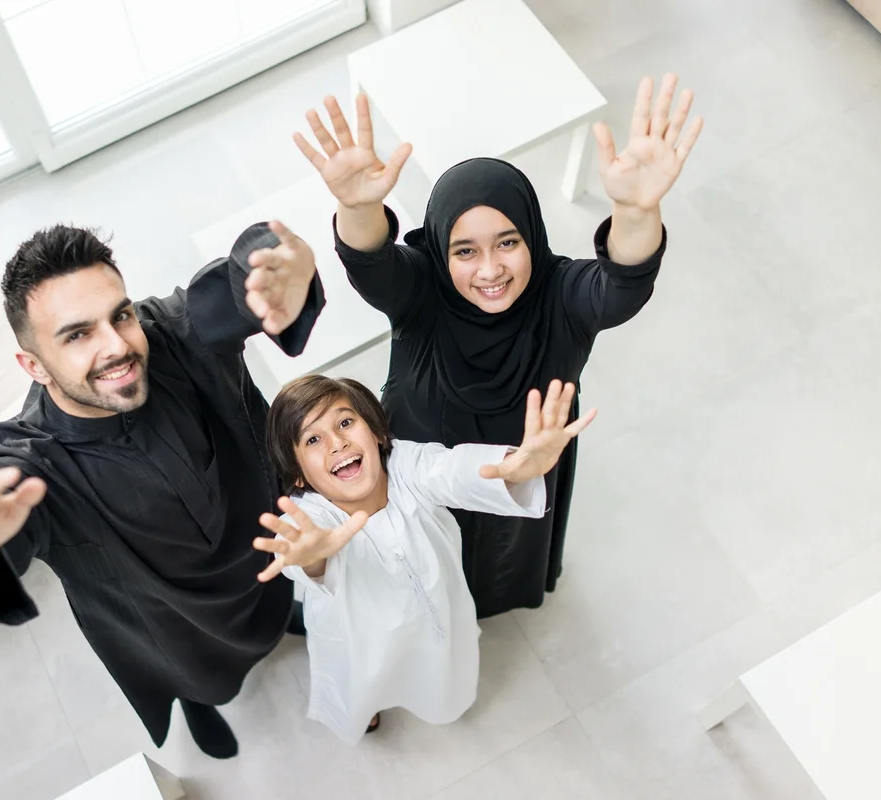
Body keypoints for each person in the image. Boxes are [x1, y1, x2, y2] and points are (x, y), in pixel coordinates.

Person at [0, 219, 326, 759]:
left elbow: (234, 285)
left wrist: (272, 264)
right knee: (197, 676)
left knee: (271, 603)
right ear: (33, 365)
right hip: (168, 623)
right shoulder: (32, 462)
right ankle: (199, 703)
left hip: (259, 555)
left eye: (120, 316)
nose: (117, 346)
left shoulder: (169, 333)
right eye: (77, 334)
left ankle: (275, 622)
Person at [293, 74, 702, 617]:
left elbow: (623, 284)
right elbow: (372, 264)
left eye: (507, 243)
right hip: (423, 476)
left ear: (531, 234)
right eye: (465, 251)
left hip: (521, 471)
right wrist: (357, 206)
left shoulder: (561, 295)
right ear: (440, 251)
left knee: (499, 559)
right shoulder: (421, 290)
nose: (490, 271)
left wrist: (636, 213)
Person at [255, 376, 594, 742]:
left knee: (436, 665)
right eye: (313, 439)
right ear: (299, 476)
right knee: (363, 681)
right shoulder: (313, 519)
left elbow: (454, 470)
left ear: (378, 434)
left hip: (436, 612)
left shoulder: (408, 466)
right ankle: (366, 709)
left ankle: (438, 696)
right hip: (360, 637)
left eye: (345, 422)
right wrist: (311, 556)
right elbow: (303, 543)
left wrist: (516, 468)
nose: (337, 443)